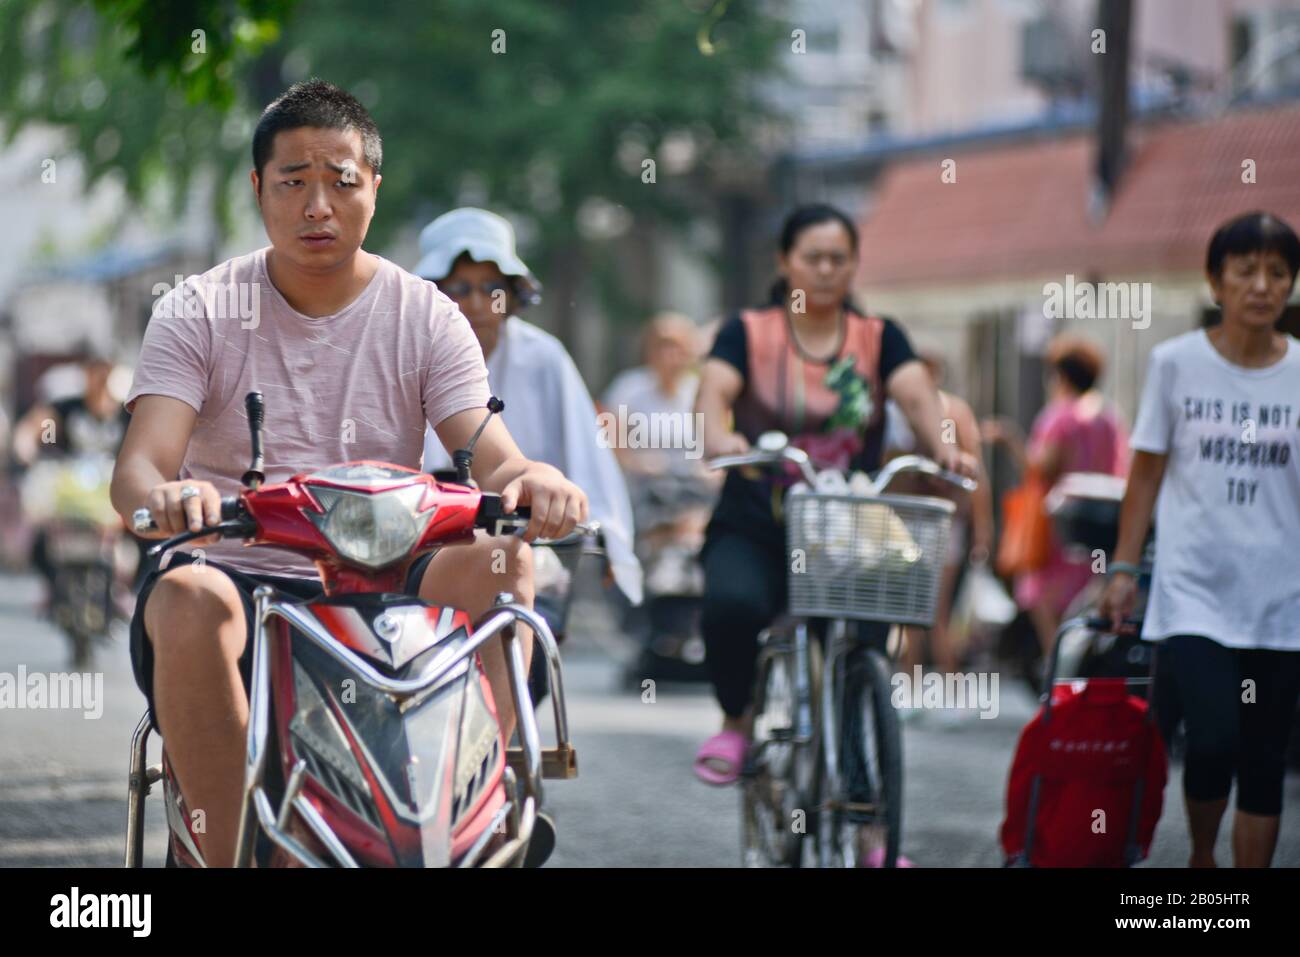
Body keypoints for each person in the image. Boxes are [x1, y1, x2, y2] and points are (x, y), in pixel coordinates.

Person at [110, 81, 588, 868]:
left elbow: (492, 454)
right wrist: (165, 497)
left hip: (389, 576)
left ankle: (485, 812)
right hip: (239, 569)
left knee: (507, 561)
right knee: (188, 596)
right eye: (294, 181)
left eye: (341, 180)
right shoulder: (198, 308)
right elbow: (141, 463)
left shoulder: (426, 313)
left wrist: (537, 480)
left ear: (374, 187)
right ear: (260, 188)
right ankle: (234, 852)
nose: (318, 205)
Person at [692, 203, 976, 790]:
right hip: (757, 519)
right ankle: (737, 720)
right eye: (812, 257)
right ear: (785, 262)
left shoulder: (880, 338)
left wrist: (944, 448)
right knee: (732, 605)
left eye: (838, 259)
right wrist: (720, 437)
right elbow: (714, 397)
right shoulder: (747, 332)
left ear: (853, 265)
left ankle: (867, 830)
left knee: (860, 658)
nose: (825, 269)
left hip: (849, 527)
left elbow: (918, 398)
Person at [1099, 210, 1300, 868]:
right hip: (1193, 590)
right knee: (1212, 737)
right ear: (1217, 282)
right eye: (1246, 271)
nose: (1262, 286)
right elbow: (1146, 472)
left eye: (1277, 272)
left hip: (1280, 595)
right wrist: (1124, 566)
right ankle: (1203, 856)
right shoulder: (1175, 364)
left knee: (1266, 756)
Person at [415, 207, 642, 609]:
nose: (479, 303)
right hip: (420, 544)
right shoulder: (407, 352)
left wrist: (609, 536)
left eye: (491, 288)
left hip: (529, 542)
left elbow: (586, 449)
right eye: (460, 289)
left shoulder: (544, 357)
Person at [982, 335, 1129, 661]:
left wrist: (1009, 439)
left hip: (1058, 527)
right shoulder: (1109, 417)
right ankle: (1078, 672)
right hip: (1099, 527)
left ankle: (1059, 673)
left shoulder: (1060, 417)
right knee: (1085, 601)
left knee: (1045, 603)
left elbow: (1041, 468)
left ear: (1061, 376)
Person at [881, 352, 993, 716]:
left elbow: (976, 477)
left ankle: (952, 691)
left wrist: (982, 529)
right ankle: (911, 688)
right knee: (907, 613)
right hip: (902, 520)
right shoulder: (889, 414)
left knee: (936, 612)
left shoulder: (953, 411)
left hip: (941, 520)